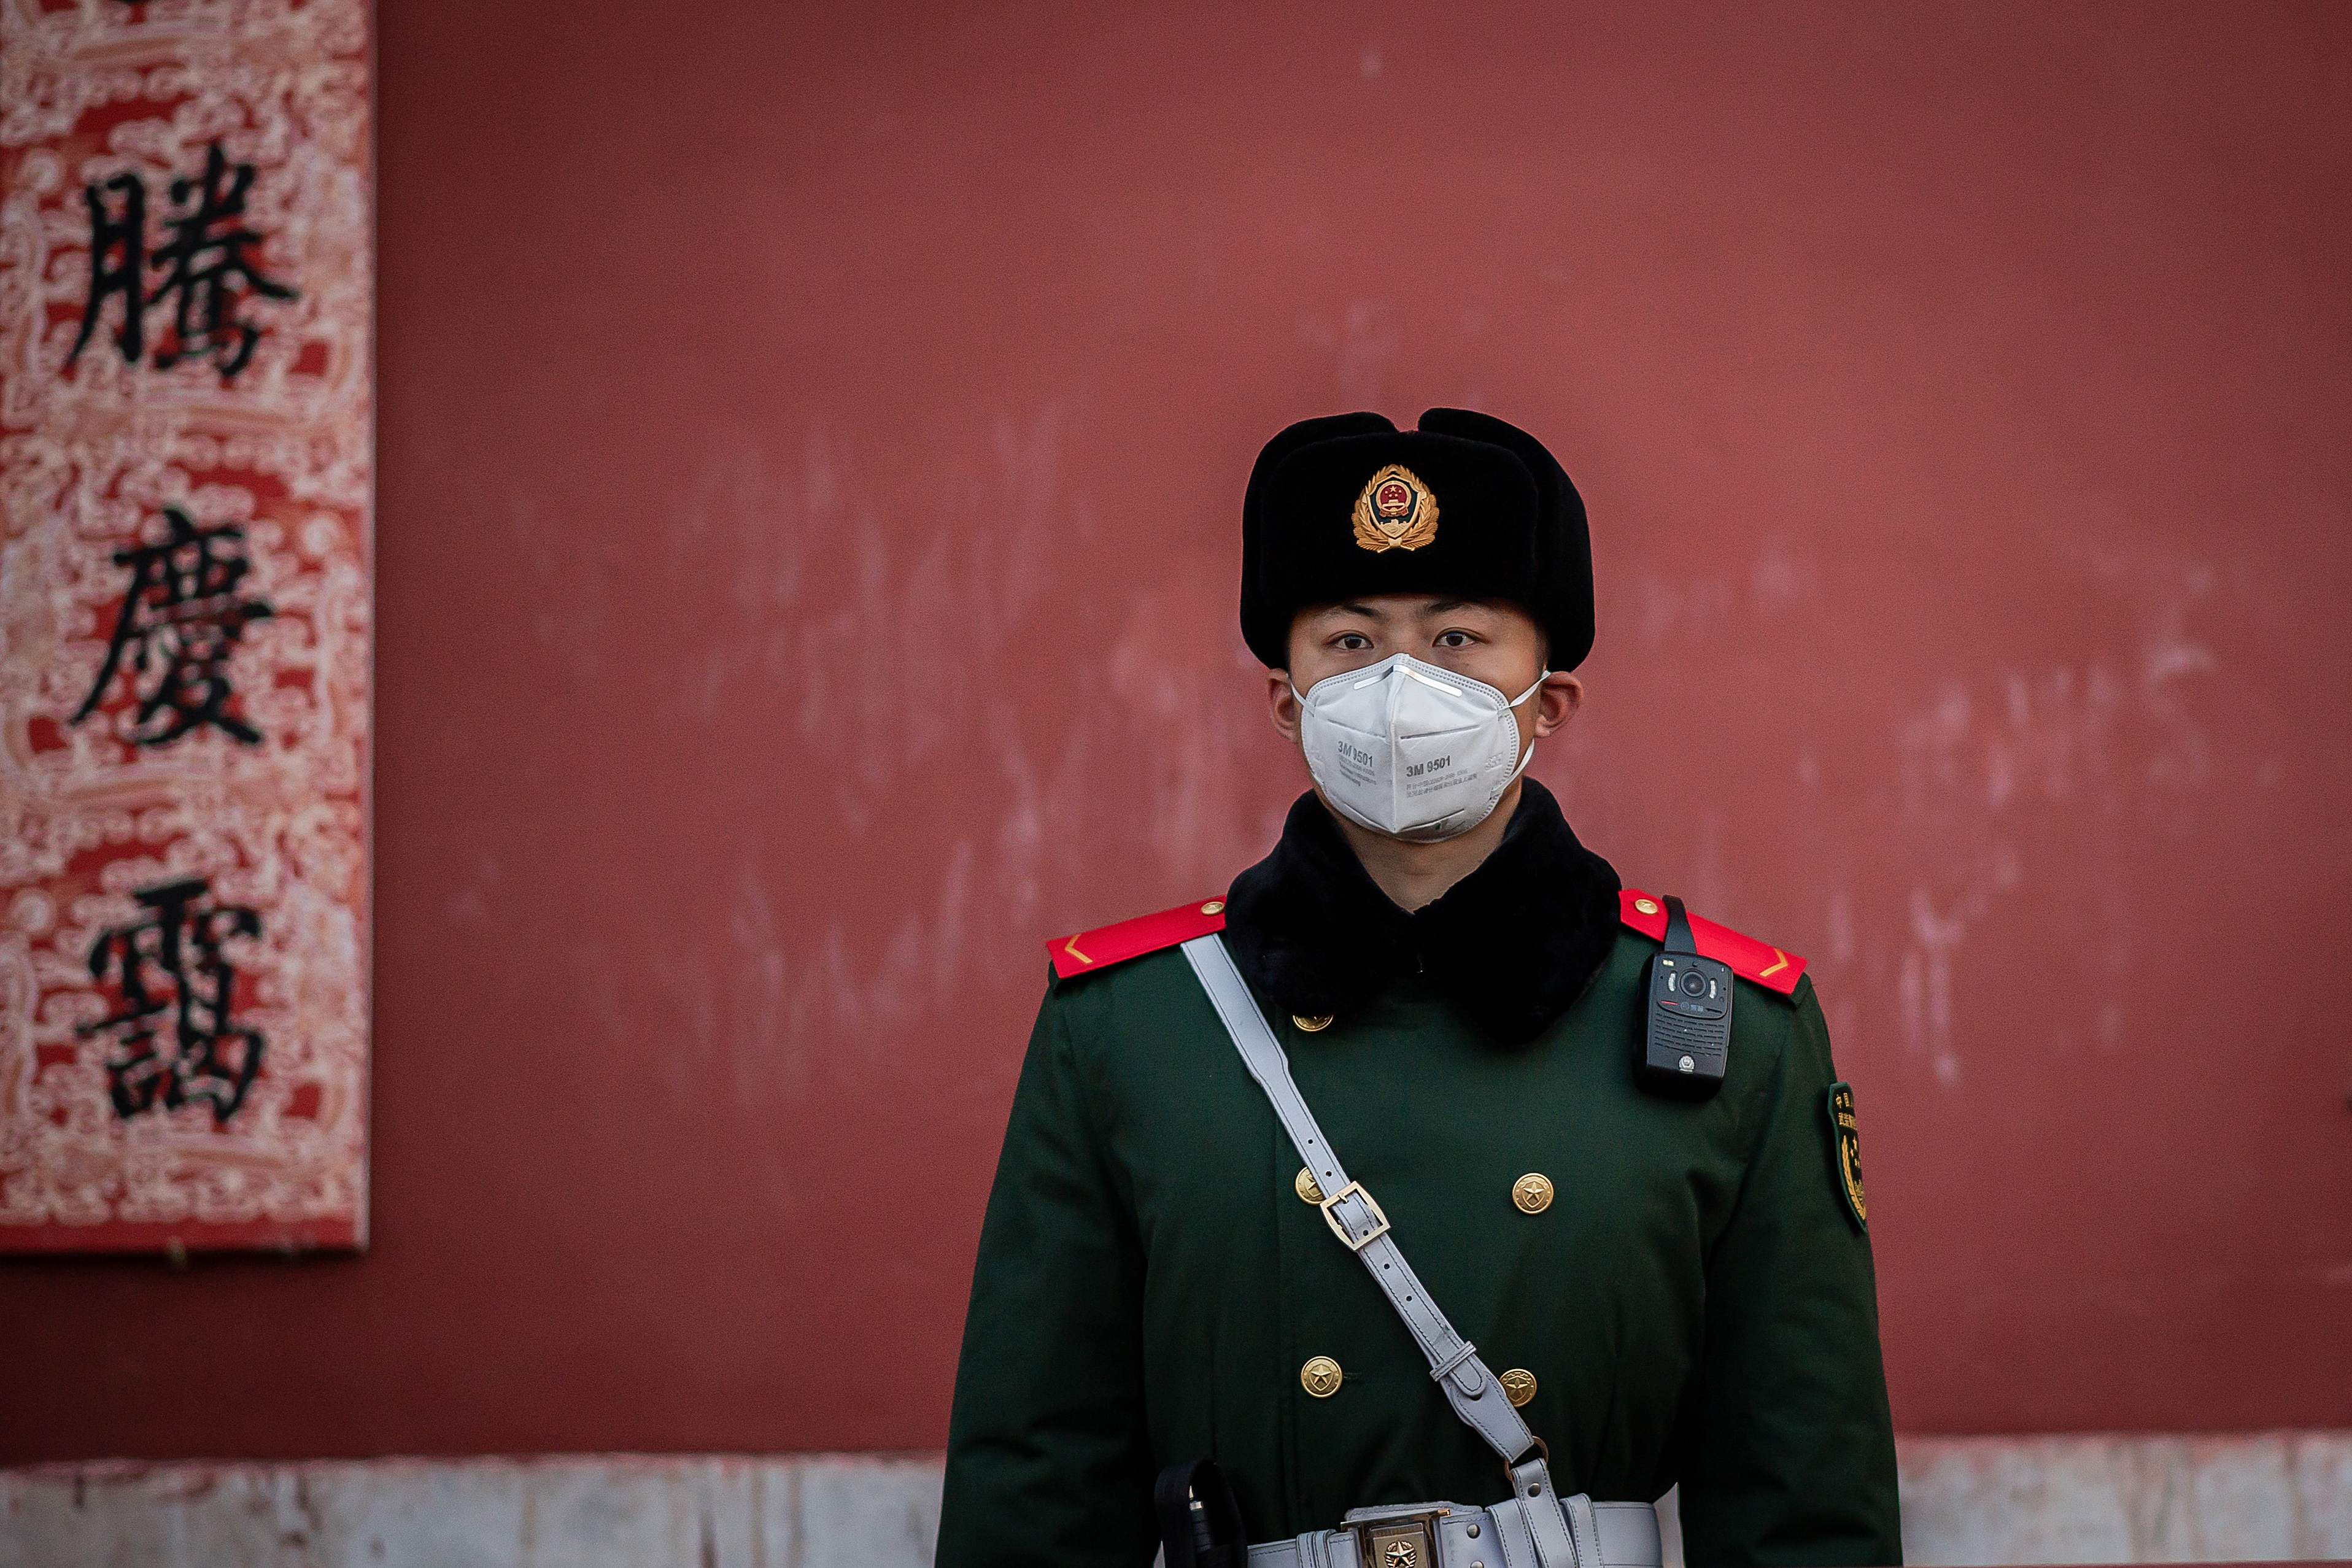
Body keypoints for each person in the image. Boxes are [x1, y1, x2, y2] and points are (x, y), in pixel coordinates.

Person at [935, 409, 1899, 1567]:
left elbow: (1805, 1496)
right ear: (1287, 703)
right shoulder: (1131, 1025)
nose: (1399, 686)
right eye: (1349, 641)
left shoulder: (1731, 1027)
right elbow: (1035, 1480)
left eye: (1457, 639)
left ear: (1548, 702)